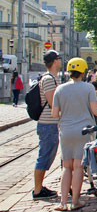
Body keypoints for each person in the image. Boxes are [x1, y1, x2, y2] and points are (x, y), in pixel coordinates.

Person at [51, 57, 97, 211]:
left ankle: (63, 202)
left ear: (69, 71)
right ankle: (75, 201)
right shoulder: (88, 88)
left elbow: (55, 114)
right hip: (83, 131)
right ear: (83, 71)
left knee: (66, 167)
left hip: (66, 131)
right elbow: (96, 111)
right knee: (78, 167)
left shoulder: (60, 89)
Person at [32, 50, 62, 200]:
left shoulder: (53, 78)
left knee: (47, 155)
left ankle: (39, 188)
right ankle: (37, 190)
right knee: (44, 155)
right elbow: (52, 103)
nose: (61, 61)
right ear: (55, 61)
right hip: (47, 124)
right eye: (59, 59)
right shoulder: (49, 79)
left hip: (51, 124)